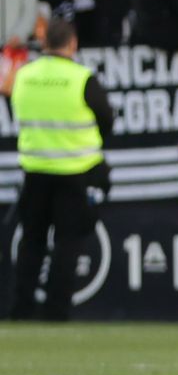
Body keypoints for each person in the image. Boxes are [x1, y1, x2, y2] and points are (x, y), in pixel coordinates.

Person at [7, 20, 114, 321]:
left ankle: (21, 309)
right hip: (75, 170)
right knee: (68, 240)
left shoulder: (24, 76)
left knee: (31, 240)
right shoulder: (81, 78)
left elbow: (17, 111)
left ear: (43, 43)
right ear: (72, 43)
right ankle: (56, 312)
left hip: (35, 168)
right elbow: (106, 118)